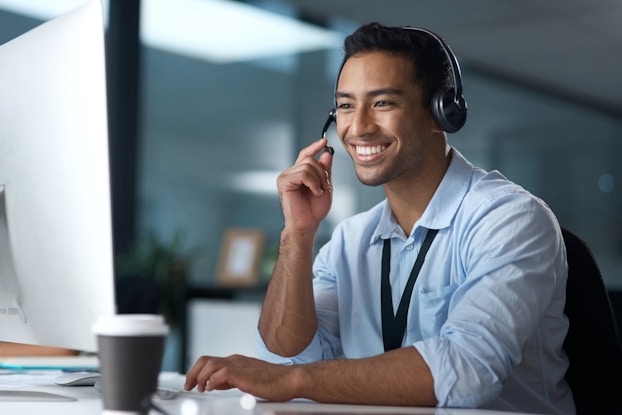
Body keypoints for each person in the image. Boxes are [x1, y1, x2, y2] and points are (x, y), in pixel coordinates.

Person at [185, 23, 574, 414]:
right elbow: (287, 358)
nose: (358, 127)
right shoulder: (350, 240)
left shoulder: (509, 219)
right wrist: (297, 234)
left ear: (443, 111)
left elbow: (468, 369)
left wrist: (291, 382)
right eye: (346, 105)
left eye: (383, 103)